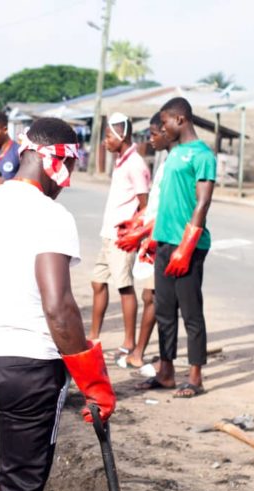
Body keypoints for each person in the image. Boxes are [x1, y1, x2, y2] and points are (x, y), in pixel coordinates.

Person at [0, 117, 115, 491]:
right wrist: (94, 383)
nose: (68, 181)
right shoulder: (51, 216)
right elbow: (59, 308)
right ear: (57, 162)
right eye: (70, 168)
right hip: (31, 371)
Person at [135, 97, 215, 398]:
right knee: (164, 310)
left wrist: (187, 245)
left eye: (165, 121)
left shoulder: (202, 155)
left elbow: (203, 202)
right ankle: (166, 372)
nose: (163, 127)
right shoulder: (174, 153)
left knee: (191, 312)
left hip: (189, 246)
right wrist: (151, 236)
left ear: (180, 120)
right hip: (165, 242)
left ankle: (195, 377)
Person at [88, 113, 150, 368]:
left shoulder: (136, 164)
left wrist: (132, 234)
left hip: (121, 238)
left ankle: (128, 342)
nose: (104, 142)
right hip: (108, 234)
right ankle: (93, 337)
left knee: (124, 287)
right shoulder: (121, 161)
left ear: (121, 136)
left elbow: (145, 205)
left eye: (108, 137)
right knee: (97, 281)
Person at [117, 112, 172, 369]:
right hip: (152, 235)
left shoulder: (175, 162)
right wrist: (138, 225)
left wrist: (145, 230)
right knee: (151, 296)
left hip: (161, 237)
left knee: (153, 297)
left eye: (153, 134)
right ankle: (150, 354)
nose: (150, 140)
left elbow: (158, 204)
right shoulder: (165, 161)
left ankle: (141, 353)